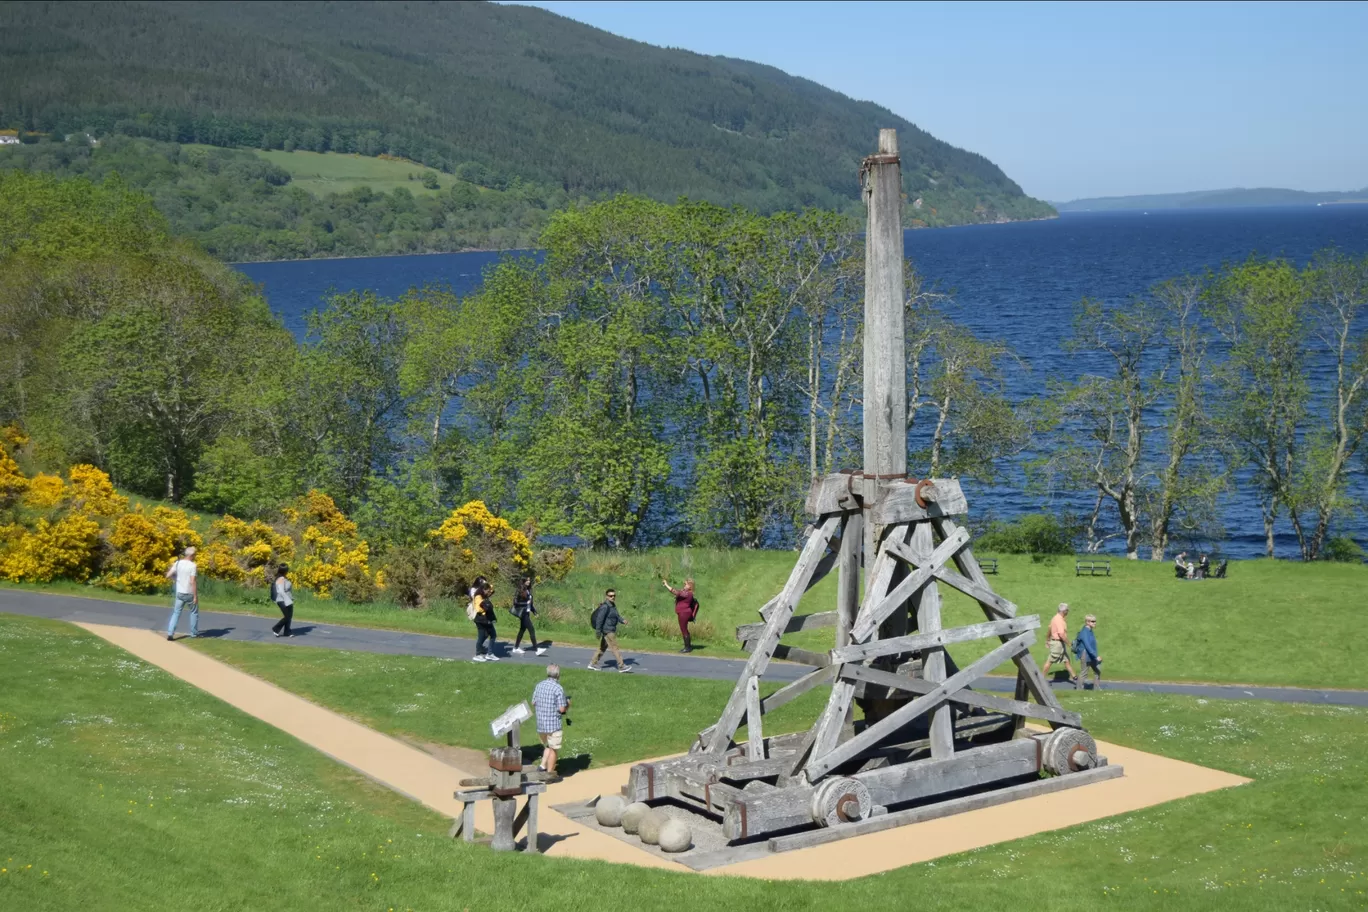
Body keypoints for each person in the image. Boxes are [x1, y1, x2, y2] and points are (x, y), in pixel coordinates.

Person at [531, 664, 570, 776]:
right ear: (558, 675)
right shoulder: (558, 688)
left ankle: (542, 766)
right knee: (553, 749)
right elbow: (562, 709)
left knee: (547, 745)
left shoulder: (539, 685)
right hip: (553, 725)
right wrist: (568, 705)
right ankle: (549, 774)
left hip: (541, 724)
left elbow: (534, 702)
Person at [588, 588, 631, 673]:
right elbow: (600, 620)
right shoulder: (605, 607)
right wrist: (598, 632)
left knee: (602, 648)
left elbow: (617, 616)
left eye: (614, 595)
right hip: (607, 630)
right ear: (606, 596)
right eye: (611, 596)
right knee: (615, 647)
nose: (613, 597)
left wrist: (623, 620)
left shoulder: (613, 606)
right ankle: (621, 666)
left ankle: (592, 663)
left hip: (610, 629)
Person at [164, 546, 200, 640]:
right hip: (189, 593)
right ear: (191, 555)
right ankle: (193, 633)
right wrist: (195, 596)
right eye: (194, 554)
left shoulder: (178, 563)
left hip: (179, 593)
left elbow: (168, 575)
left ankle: (170, 633)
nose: (195, 556)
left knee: (176, 612)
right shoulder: (193, 566)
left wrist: (176, 579)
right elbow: (193, 581)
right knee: (194, 612)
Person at [1041, 602, 1077, 685]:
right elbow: (1061, 634)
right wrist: (1069, 644)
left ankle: (1075, 677)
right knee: (1050, 661)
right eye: (1067, 610)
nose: (1068, 612)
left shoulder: (1054, 618)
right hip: (1057, 644)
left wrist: (1047, 640)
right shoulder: (1059, 620)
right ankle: (1041, 679)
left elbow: (1050, 629)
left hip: (1058, 643)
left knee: (1067, 661)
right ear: (1064, 611)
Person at [662, 576, 699, 653]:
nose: (684, 586)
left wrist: (666, 585)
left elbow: (675, 592)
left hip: (684, 613)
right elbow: (679, 593)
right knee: (685, 629)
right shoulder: (687, 593)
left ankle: (687, 648)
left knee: (683, 629)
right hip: (684, 613)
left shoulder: (688, 593)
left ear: (690, 586)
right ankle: (688, 646)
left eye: (686, 584)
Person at [511, 577, 546, 656]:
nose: (529, 582)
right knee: (531, 630)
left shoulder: (528, 590)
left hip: (527, 613)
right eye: (527, 580)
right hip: (523, 613)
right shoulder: (520, 590)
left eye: (530, 580)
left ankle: (515, 648)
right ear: (523, 581)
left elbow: (530, 604)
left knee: (522, 630)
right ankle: (536, 649)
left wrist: (534, 612)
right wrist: (526, 603)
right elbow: (515, 603)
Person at [471, 581, 500, 663]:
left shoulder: (483, 595)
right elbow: (478, 609)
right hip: (481, 619)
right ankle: (479, 654)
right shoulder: (478, 597)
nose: (489, 592)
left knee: (487, 635)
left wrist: (491, 588)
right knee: (487, 635)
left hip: (485, 619)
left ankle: (486, 652)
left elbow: (490, 591)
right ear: (483, 589)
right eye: (487, 591)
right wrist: (486, 607)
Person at [1072, 614, 1102, 689]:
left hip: (1091, 654)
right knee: (1084, 673)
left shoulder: (1090, 631)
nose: (1095, 623)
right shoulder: (1084, 632)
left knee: (1097, 670)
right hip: (1085, 654)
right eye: (1093, 621)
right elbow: (1088, 646)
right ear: (1087, 622)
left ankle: (1096, 688)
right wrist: (1096, 656)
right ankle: (1079, 689)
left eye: (1095, 621)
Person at [271, 563, 294, 638]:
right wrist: (288, 600)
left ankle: (287, 631)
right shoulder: (280, 579)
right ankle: (275, 629)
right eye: (287, 569)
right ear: (285, 570)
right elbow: (281, 591)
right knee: (287, 617)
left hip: (288, 599)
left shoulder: (284, 578)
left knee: (289, 617)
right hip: (282, 600)